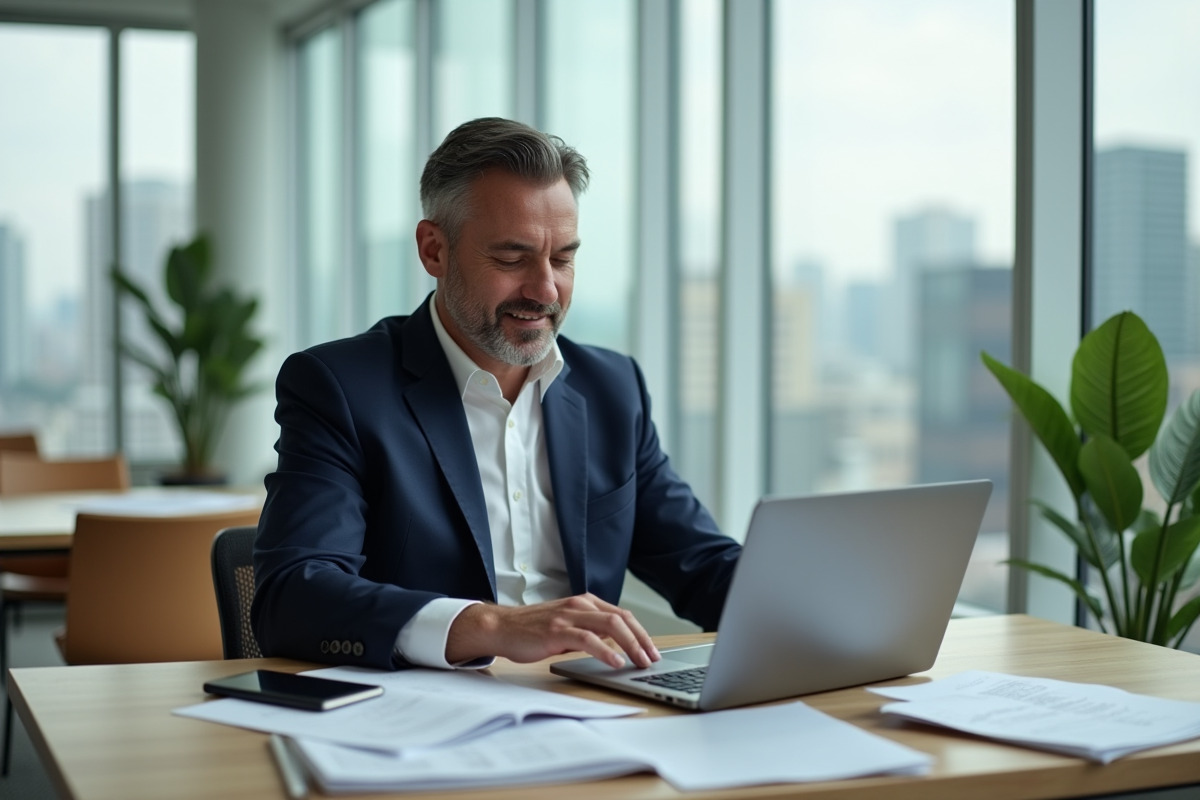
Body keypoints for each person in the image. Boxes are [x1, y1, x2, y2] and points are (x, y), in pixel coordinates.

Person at [252, 117, 741, 672]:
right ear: (435, 250)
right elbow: (291, 597)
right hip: (422, 721)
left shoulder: (612, 387)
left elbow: (701, 565)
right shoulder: (339, 387)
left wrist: (837, 606)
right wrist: (490, 625)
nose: (545, 290)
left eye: (562, 258)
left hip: (590, 704)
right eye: (512, 259)